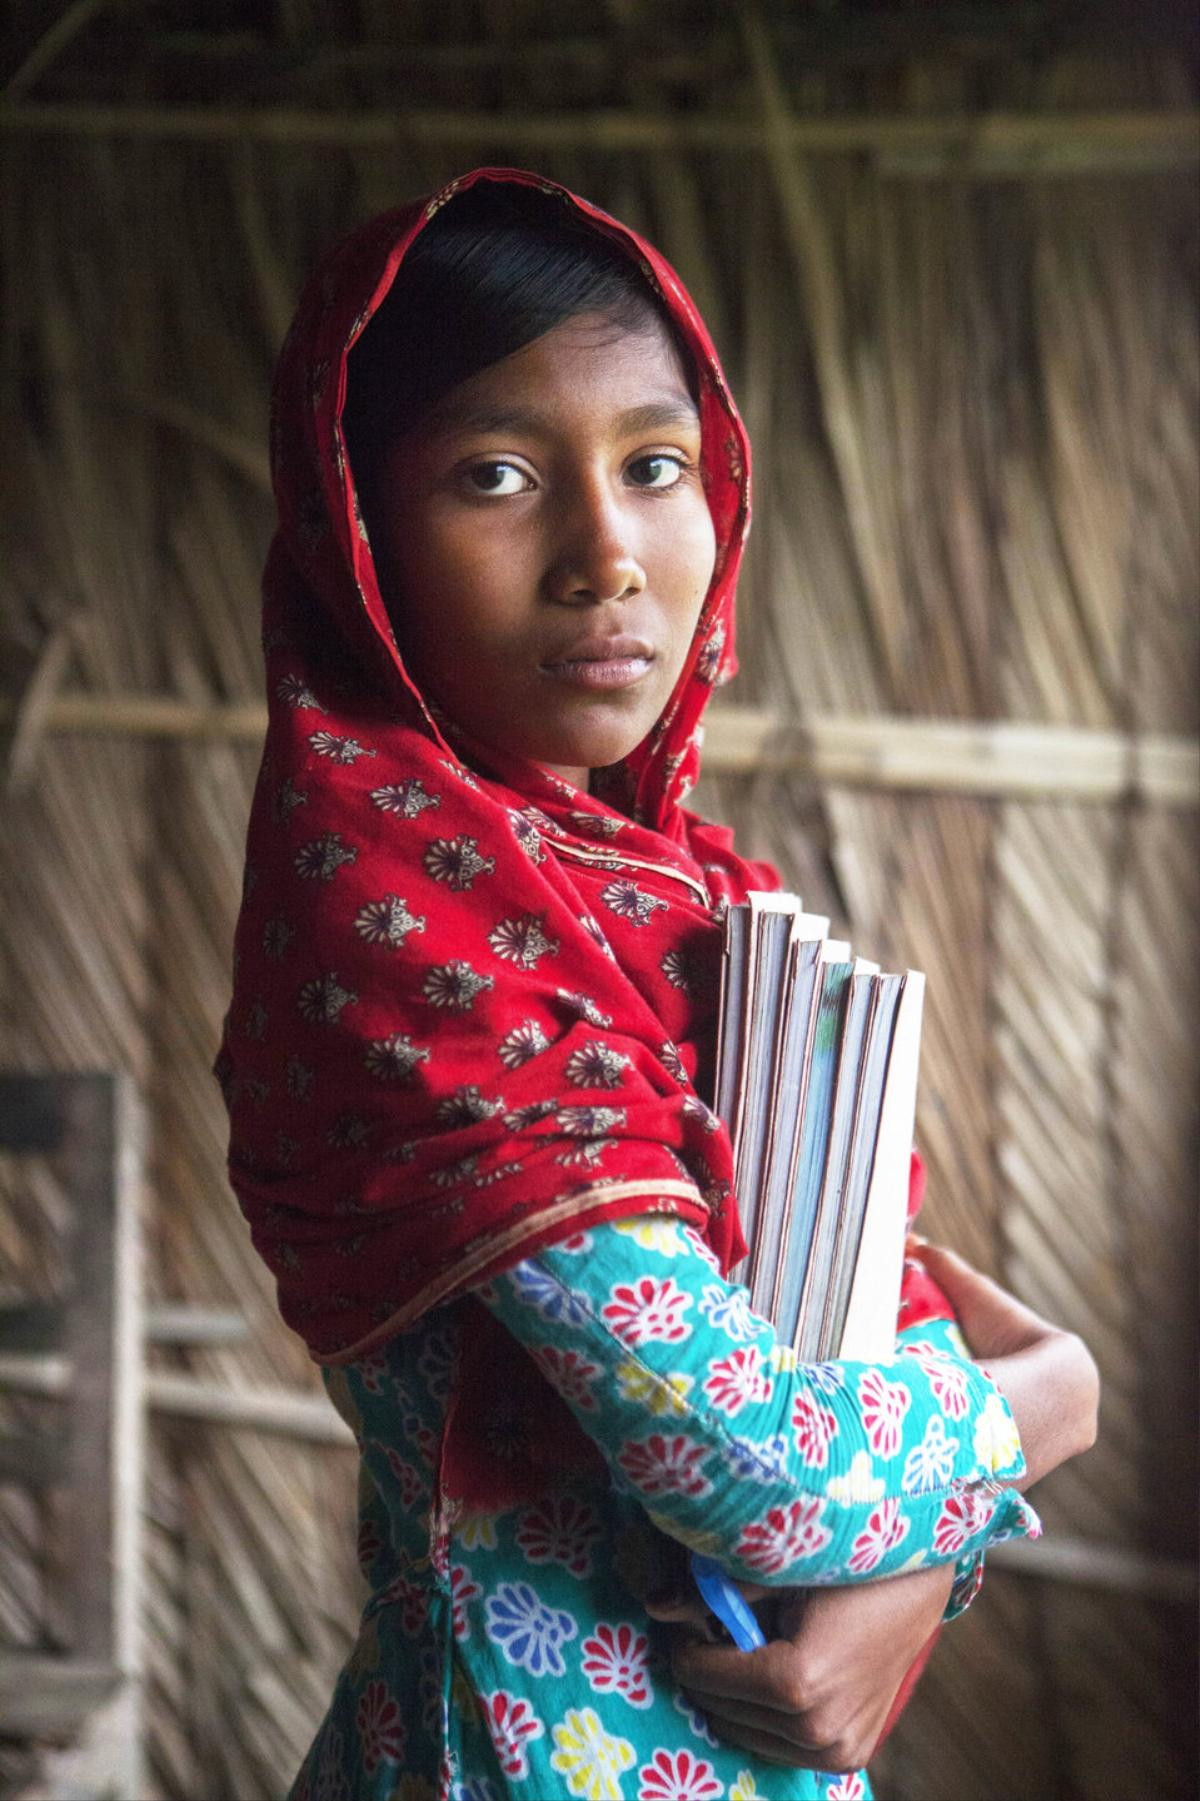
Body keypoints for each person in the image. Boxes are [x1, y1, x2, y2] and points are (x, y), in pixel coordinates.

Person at [215, 169, 1098, 1800]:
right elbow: (759, 1468)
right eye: (495, 474)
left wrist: (909, 1584)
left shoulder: (688, 907)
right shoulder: (413, 937)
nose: (604, 553)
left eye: (656, 465)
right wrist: (1048, 1401)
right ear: (357, 531)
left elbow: (861, 1362)